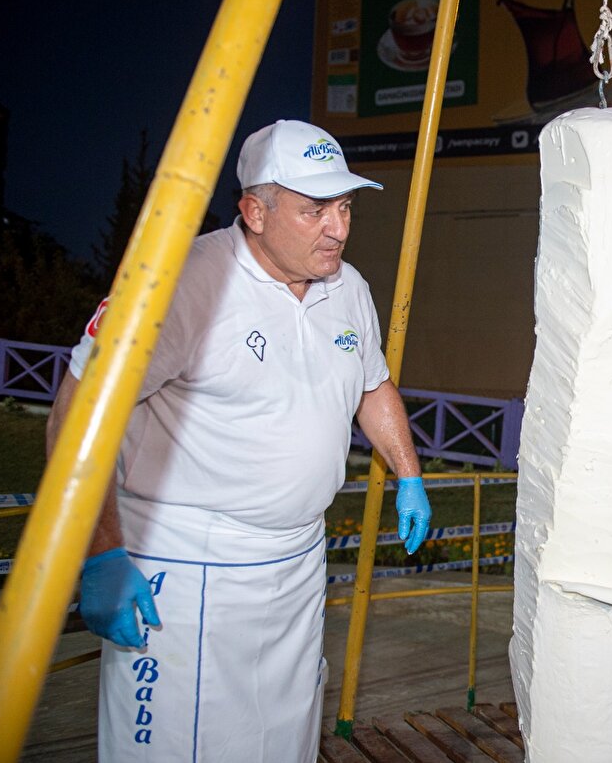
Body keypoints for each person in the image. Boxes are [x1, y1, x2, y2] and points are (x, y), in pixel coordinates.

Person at [46, 119, 431, 763]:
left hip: (298, 563)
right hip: (184, 568)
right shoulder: (179, 284)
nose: (337, 228)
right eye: (314, 210)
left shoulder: (349, 288)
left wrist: (409, 473)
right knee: (174, 746)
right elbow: (77, 414)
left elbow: (373, 386)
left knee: (282, 736)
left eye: (344, 207)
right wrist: (100, 550)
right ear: (255, 211)